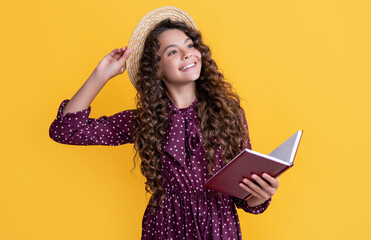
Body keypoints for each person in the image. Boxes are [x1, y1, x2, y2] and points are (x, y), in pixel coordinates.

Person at [49, 6, 279, 239]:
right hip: (166, 227)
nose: (187, 53)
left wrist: (261, 193)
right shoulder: (143, 120)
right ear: (156, 69)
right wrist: (101, 75)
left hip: (219, 227)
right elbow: (66, 131)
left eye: (190, 45)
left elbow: (245, 198)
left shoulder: (228, 114)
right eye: (172, 52)